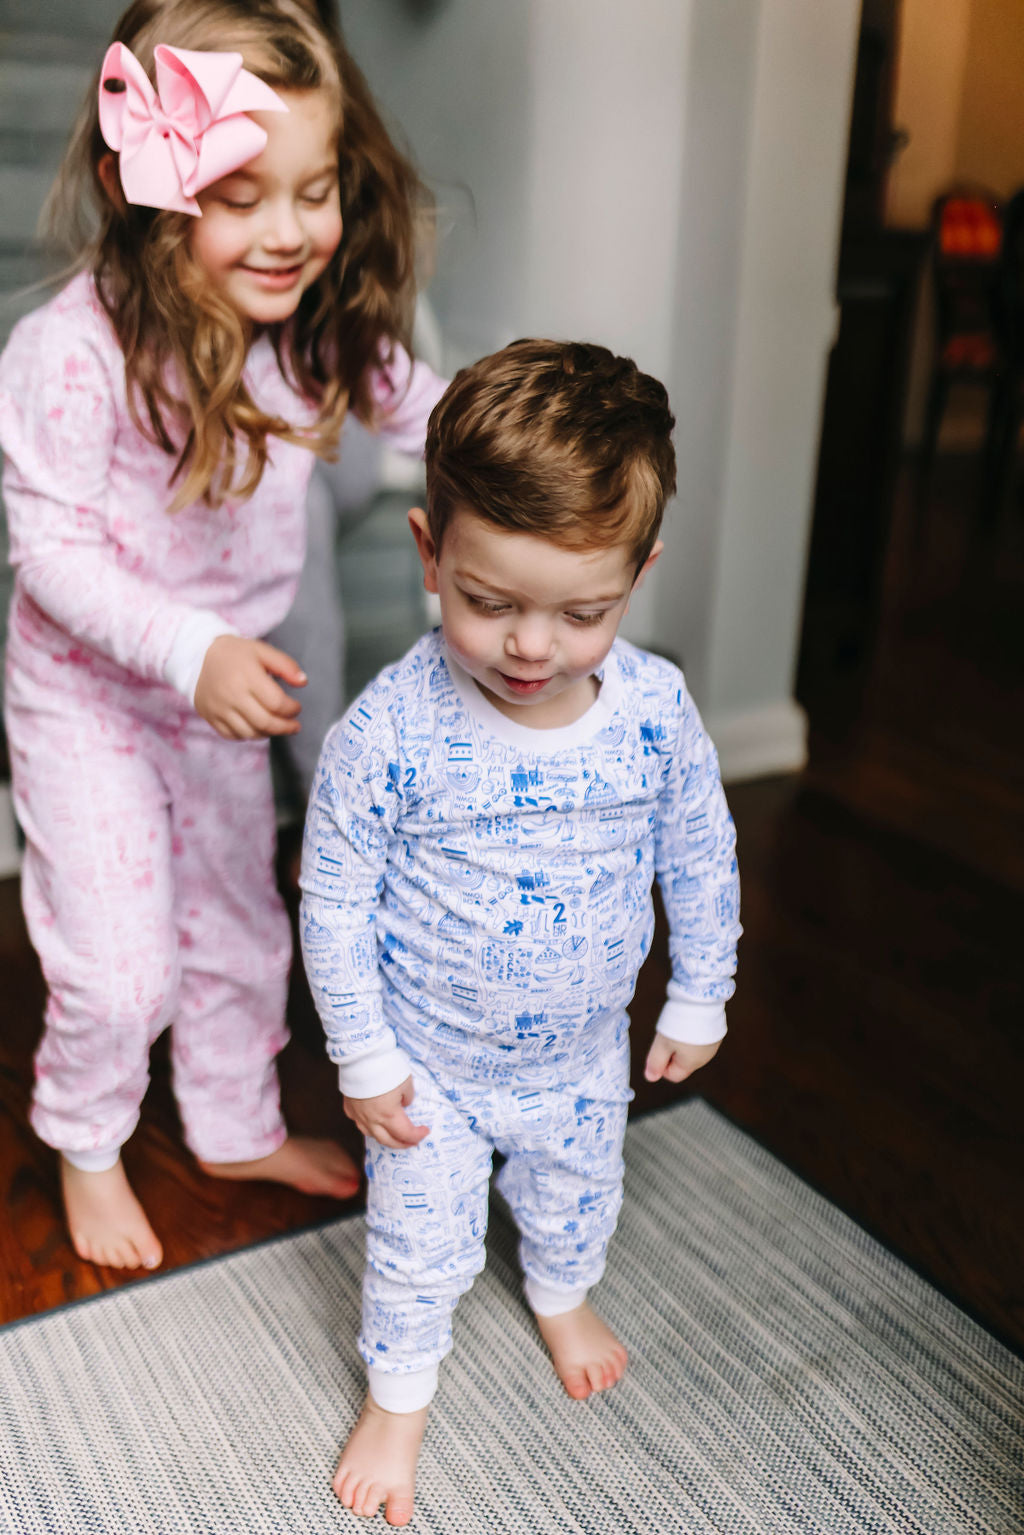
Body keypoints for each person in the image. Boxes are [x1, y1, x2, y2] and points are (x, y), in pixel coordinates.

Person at [0, 0, 448, 1274]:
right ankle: (87, 1141)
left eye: (316, 191)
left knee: (241, 923)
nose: (295, 231)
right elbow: (54, 560)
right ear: (138, 189)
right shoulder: (67, 356)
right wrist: (189, 648)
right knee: (123, 961)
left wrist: (552, 431)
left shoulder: (310, 338)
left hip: (219, 699)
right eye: (242, 196)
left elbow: (441, 416)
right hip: (90, 698)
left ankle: (234, 1125)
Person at [300, 339, 742, 1526]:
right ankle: (398, 1398)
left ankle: (562, 1291)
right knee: (416, 1239)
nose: (531, 647)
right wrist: (363, 1055)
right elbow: (333, 900)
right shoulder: (387, 733)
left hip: (582, 1052)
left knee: (578, 1191)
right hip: (428, 1062)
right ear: (429, 555)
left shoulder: (652, 712)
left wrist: (700, 990)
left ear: (636, 576)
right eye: (489, 602)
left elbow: (698, 851)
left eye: (581, 611)